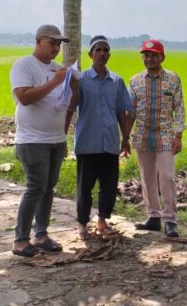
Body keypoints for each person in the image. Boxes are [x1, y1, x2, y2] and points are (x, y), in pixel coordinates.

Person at [10, 24, 72, 257]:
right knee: (35, 187)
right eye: (52, 42)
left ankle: (42, 234)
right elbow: (24, 98)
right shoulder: (24, 65)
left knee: (48, 188)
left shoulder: (58, 70)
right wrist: (56, 82)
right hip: (32, 140)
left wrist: (72, 85)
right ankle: (21, 239)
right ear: (38, 42)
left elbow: (66, 103)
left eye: (59, 44)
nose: (56, 47)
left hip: (56, 139)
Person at [68, 35, 132, 240]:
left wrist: (125, 138)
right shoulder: (81, 80)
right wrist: (74, 89)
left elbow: (123, 111)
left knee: (109, 186)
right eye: (98, 50)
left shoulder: (117, 81)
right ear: (90, 54)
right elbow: (72, 104)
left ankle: (102, 220)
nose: (102, 53)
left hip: (110, 142)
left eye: (105, 50)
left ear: (109, 54)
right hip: (88, 142)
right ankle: (81, 223)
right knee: (84, 187)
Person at [127, 39, 186, 238]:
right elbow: (130, 112)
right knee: (147, 177)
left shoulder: (173, 79)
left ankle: (170, 219)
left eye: (153, 55)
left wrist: (179, 135)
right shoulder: (135, 81)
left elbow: (180, 108)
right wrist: (125, 137)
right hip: (142, 135)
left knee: (167, 177)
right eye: (146, 55)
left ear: (162, 57)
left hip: (166, 135)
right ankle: (153, 217)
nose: (149, 58)